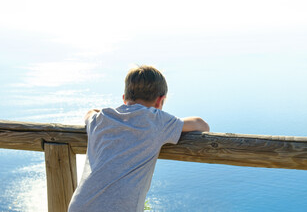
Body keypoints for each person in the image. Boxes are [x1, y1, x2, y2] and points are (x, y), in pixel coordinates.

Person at [68, 65, 210, 212]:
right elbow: (202, 125)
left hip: (80, 206)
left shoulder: (101, 118)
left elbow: (89, 113)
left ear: (124, 98)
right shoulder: (156, 120)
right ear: (160, 101)